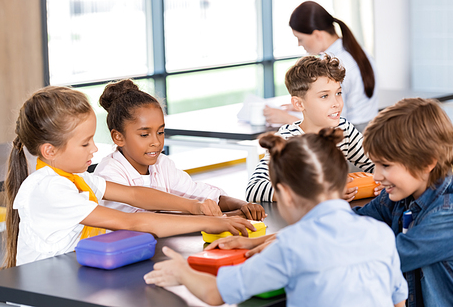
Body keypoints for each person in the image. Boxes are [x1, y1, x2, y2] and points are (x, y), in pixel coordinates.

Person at [144, 128, 407, 307]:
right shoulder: (379, 232)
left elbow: (215, 293)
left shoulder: (291, 245)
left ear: (284, 193)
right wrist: (255, 242)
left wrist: (182, 271)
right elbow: (399, 300)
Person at [3, 86, 255, 268]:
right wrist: (207, 222)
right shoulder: (49, 189)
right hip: (46, 289)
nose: (94, 149)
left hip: (74, 271)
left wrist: (195, 206)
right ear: (50, 151)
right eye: (85, 144)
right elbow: (131, 222)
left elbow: (136, 195)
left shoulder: (75, 177)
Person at [94, 79, 265, 220]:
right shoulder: (109, 173)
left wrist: (243, 205)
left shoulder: (163, 165)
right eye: (145, 135)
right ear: (118, 137)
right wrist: (224, 217)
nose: (156, 142)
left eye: (160, 132)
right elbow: (146, 220)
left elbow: (200, 194)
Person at [353, 98, 453, 307]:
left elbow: (390, 258)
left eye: (386, 165)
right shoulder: (402, 195)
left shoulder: (447, 214)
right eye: (375, 165)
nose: (376, 176)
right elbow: (355, 222)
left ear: (426, 163)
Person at [246, 54, 375, 203]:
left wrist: (383, 183)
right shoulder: (286, 139)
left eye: (338, 93)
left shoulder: (343, 129)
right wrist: (320, 194)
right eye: (324, 96)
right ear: (299, 104)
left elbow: (377, 164)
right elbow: (254, 189)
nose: (337, 103)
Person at [264, 1, 378, 132]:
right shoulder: (356, 51)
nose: (299, 45)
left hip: (349, 136)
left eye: (300, 39)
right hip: (365, 130)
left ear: (317, 35)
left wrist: (287, 119)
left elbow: (333, 123)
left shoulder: (336, 64)